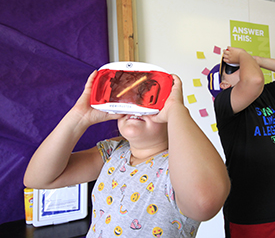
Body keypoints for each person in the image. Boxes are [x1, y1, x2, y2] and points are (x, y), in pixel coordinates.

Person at [24, 69, 230, 237]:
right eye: (129, 100)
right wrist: (79, 117)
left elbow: (204, 203)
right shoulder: (112, 152)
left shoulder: (179, 166)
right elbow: (38, 178)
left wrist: (177, 110)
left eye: (149, 101)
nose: (136, 108)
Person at [208, 47, 275, 238]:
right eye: (234, 69)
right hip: (249, 211)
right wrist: (244, 56)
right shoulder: (224, 104)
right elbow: (254, 80)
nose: (246, 68)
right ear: (223, 85)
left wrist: (257, 59)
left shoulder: (265, 95)